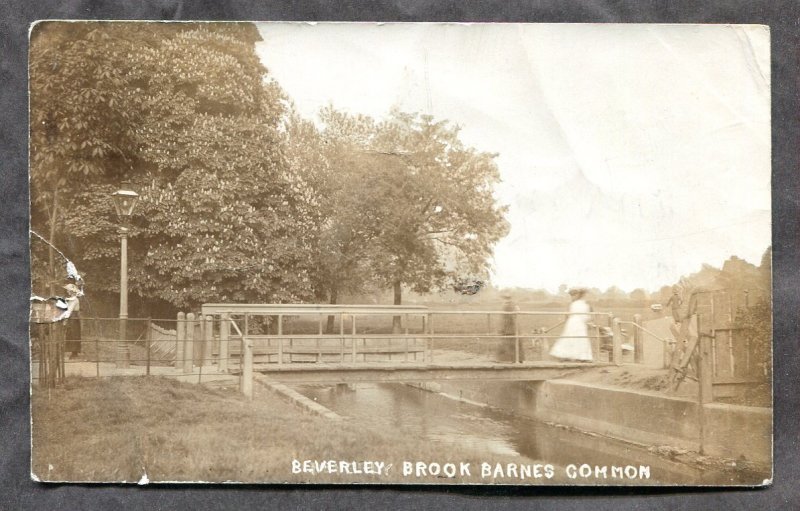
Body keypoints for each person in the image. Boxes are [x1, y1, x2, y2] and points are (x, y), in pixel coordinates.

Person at [549, 287, 593, 362]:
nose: (572, 297)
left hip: (573, 322)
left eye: (573, 295)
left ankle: (566, 355)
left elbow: (570, 314)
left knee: (571, 337)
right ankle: (580, 357)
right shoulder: (583, 304)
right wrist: (587, 321)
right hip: (578, 323)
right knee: (579, 338)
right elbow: (585, 316)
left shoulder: (575, 304)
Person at [60, 283, 83, 358]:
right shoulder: (71, 299)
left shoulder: (74, 299)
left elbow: (70, 310)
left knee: (74, 334)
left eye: (68, 290)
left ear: (71, 291)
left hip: (73, 317)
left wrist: (65, 319)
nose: (67, 291)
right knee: (71, 334)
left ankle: (74, 353)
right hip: (71, 317)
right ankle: (73, 352)